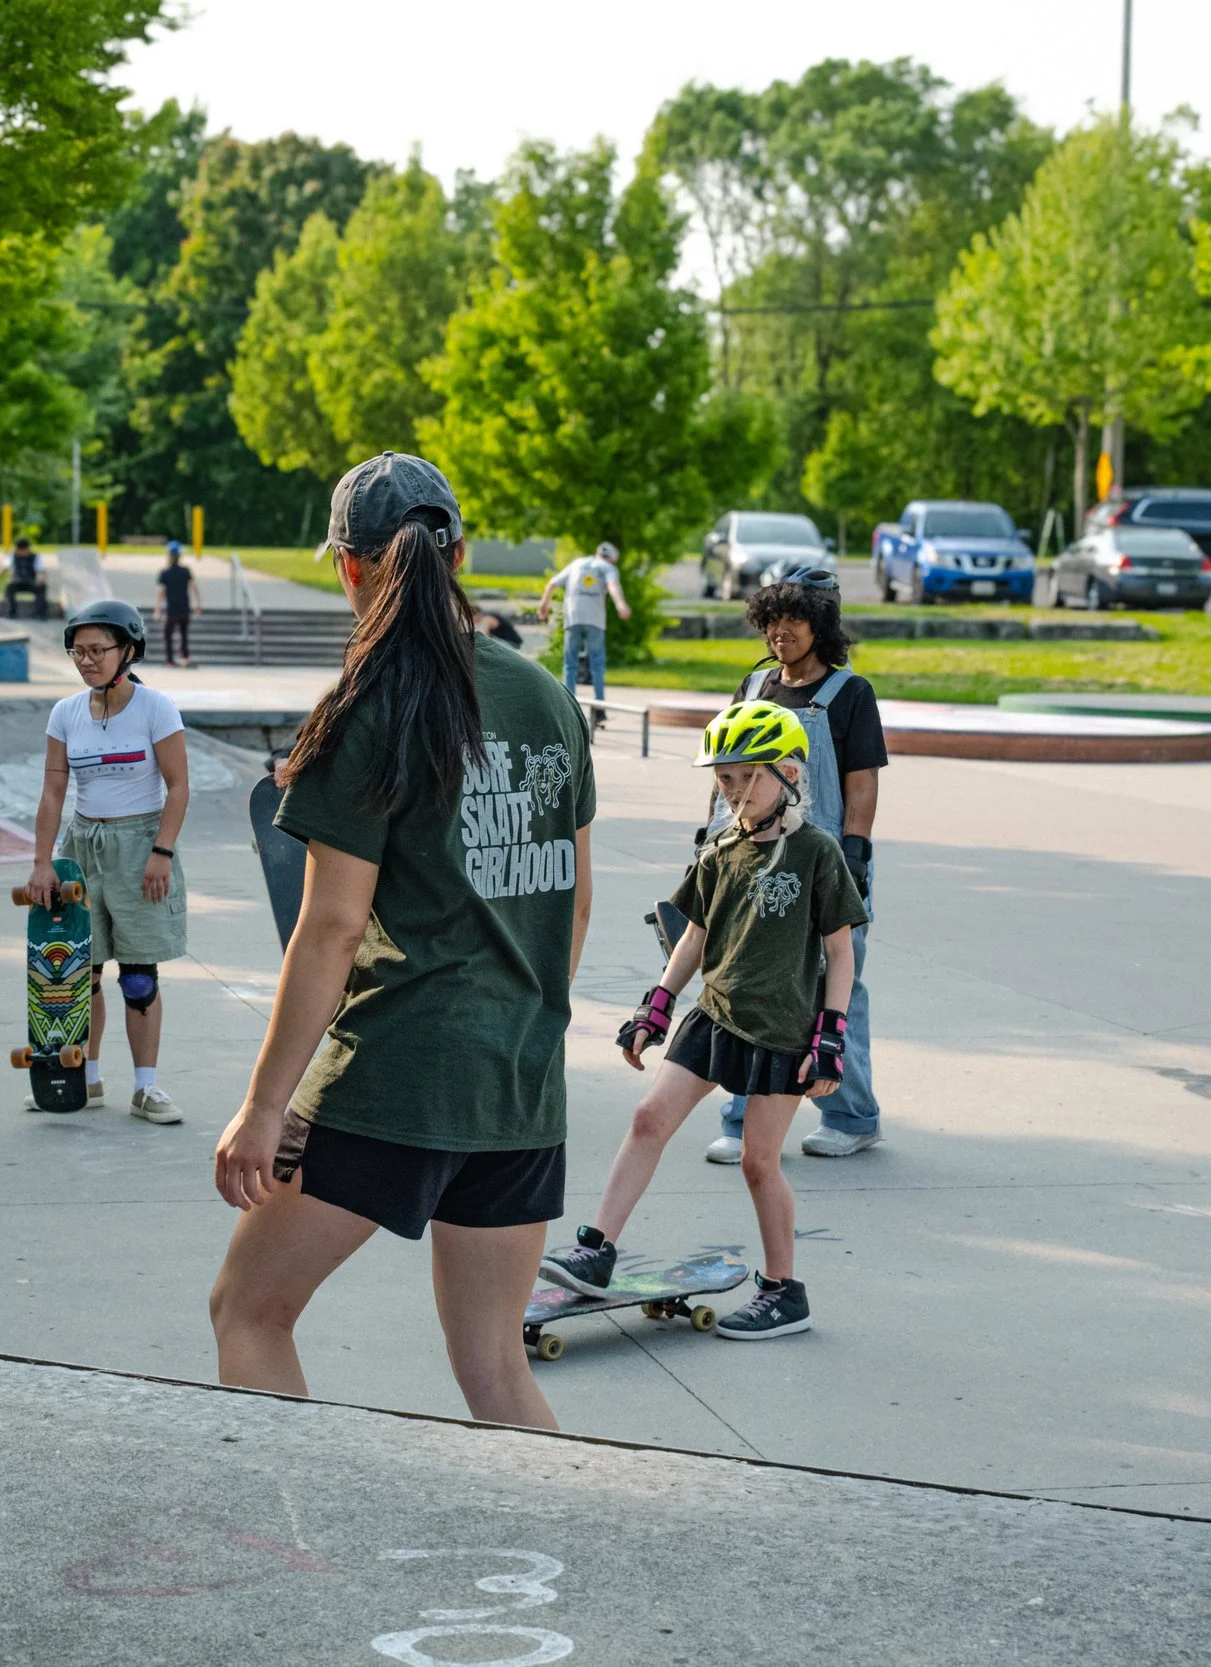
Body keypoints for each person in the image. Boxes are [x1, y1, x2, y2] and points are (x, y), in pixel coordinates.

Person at [208, 451, 596, 1429]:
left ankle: (299, 1541)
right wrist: (524, 1021)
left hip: (396, 1075)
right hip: (519, 1080)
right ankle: (566, 1563)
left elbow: (331, 924)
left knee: (247, 1310)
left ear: (348, 568)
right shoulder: (546, 697)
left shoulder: (368, 705)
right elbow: (576, 899)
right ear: (458, 553)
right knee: (497, 1371)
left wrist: (263, 1107)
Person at [542, 700, 864, 1340]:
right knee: (647, 1119)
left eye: (750, 776)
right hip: (713, 1014)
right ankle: (597, 1248)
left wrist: (830, 1040)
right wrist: (654, 1007)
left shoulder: (816, 853)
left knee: (758, 1162)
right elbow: (692, 938)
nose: (736, 792)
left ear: (790, 773)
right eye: (725, 779)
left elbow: (840, 952)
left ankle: (784, 1291)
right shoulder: (719, 850)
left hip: (782, 1030)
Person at [704, 564, 889, 1164]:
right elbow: (724, 772)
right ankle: (742, 1118)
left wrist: (855, 854)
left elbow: (860, 785)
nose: (782, 633)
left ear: (821, 627)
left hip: (824, 857)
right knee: (744, 978)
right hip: (749, 854)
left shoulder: (848, 694)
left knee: (838, 984)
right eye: (773, 621)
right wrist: (707, 837)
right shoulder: (754, 690)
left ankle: (852, 1116)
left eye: (796, 621)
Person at [25, 598, 190, 1122]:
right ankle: (84, 1080)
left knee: (138, 975)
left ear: (130, 650)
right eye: (78, 651)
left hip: (140, 842)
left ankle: (146, 1088)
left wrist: (161, 851)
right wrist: (43, 862)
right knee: (79, 973)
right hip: (82, 846)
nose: (87, 660)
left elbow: (179, 785)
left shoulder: (155, 708)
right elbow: (53, 791)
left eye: (98, 650)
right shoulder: (66, 712)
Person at [537, 540, 631, 719]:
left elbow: (552, 583)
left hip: (573, 617)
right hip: (595, 620)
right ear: (612, 559)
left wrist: (543, 605)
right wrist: (621, 605)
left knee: (570, 664)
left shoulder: (576, 564)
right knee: (597, 664)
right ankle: (599, 711)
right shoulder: (608, 567)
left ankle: (568, 708)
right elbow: (613, 586)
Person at [156, 539, 202, 667]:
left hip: (172, 608)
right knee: (184, 632)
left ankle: (170, 660)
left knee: (168, 634)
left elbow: (161, 592)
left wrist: (158, 609)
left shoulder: (164, 573)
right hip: (184, 607)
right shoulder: (186, 571)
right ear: (179, 556)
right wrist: (197, 603)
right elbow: (193, 587)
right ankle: (185, 655)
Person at [5, 538, 51, 620]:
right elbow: (3, 568)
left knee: (42, 587)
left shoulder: (35, 557)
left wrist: (42, 579)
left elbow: (42, 571)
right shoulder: (13, 556)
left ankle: (41, 614)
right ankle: (12, 612)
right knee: (9, 587)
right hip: (17, 582)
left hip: (31, 582)